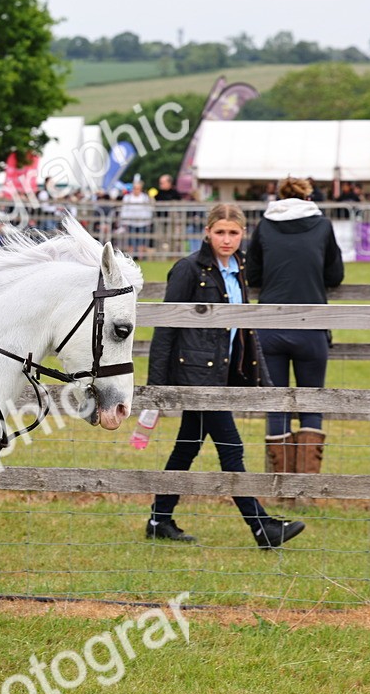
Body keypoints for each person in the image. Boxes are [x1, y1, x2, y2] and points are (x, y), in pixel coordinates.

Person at [145, 203, 305, 549]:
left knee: (186, 447)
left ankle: (159, 518)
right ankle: (263, 527)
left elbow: (245, 328)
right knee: (232, 449)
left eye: (233, 233)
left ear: (242, 234)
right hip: (196, 377)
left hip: (223, 373)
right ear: (207, 232)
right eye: (220, 232)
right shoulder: (188, 269)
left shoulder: (240, 268)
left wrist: (262, 379)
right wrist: (156, 388)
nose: (227, 239)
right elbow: (166, 326)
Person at [246, 176, 344, 475]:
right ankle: (307, 487)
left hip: (270, 325)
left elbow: (252, 274)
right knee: (312, 401)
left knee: (277, 403)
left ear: (278, 196)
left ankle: (280, 488)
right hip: (312, 325)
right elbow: (335, 275)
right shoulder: (323, 226)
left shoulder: (265, 225)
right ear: (308, 196)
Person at [118, 180, 153, 258]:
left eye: (138, 188)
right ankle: (131, 256)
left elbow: (148, 209)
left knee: (141, 239)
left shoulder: (144, 197)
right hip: (130, 221)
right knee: (131, 239)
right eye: (135, 188)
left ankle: (140, 256)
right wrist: (124, 220)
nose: (136, 190)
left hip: (142, 221)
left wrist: (148, 220)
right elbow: (124, 209)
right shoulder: (127, 197)